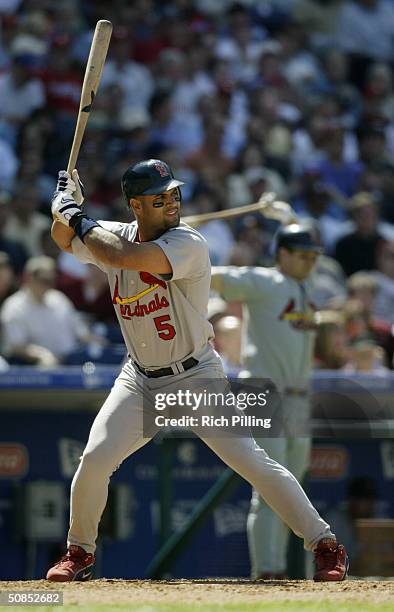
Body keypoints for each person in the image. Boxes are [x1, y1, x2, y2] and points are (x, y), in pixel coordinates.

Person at [47, 159, 348, 582]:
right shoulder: (111, 234)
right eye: (160, 197)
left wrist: (76, 215)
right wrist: (63, 206)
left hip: (194, 377)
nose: (172, 202)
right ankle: (79, 552)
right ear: (136, 204)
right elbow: (65, 241)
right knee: (94, 460)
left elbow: (123, 256)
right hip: (139, 379)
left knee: (254, 464)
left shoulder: (187, 242)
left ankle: (325, 544)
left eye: (174, 194)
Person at [211, 221, 327, 579]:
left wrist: (284, 213)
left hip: (298, 397)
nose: (310, 261)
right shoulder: (262, 281)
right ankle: (269, 571)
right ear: (283, 254)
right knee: (270, 485)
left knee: (293, 488)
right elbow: (211, 275)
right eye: (303, 255)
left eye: (313, 255)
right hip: (262, 390)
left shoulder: (305, 288)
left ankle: (299, 572)